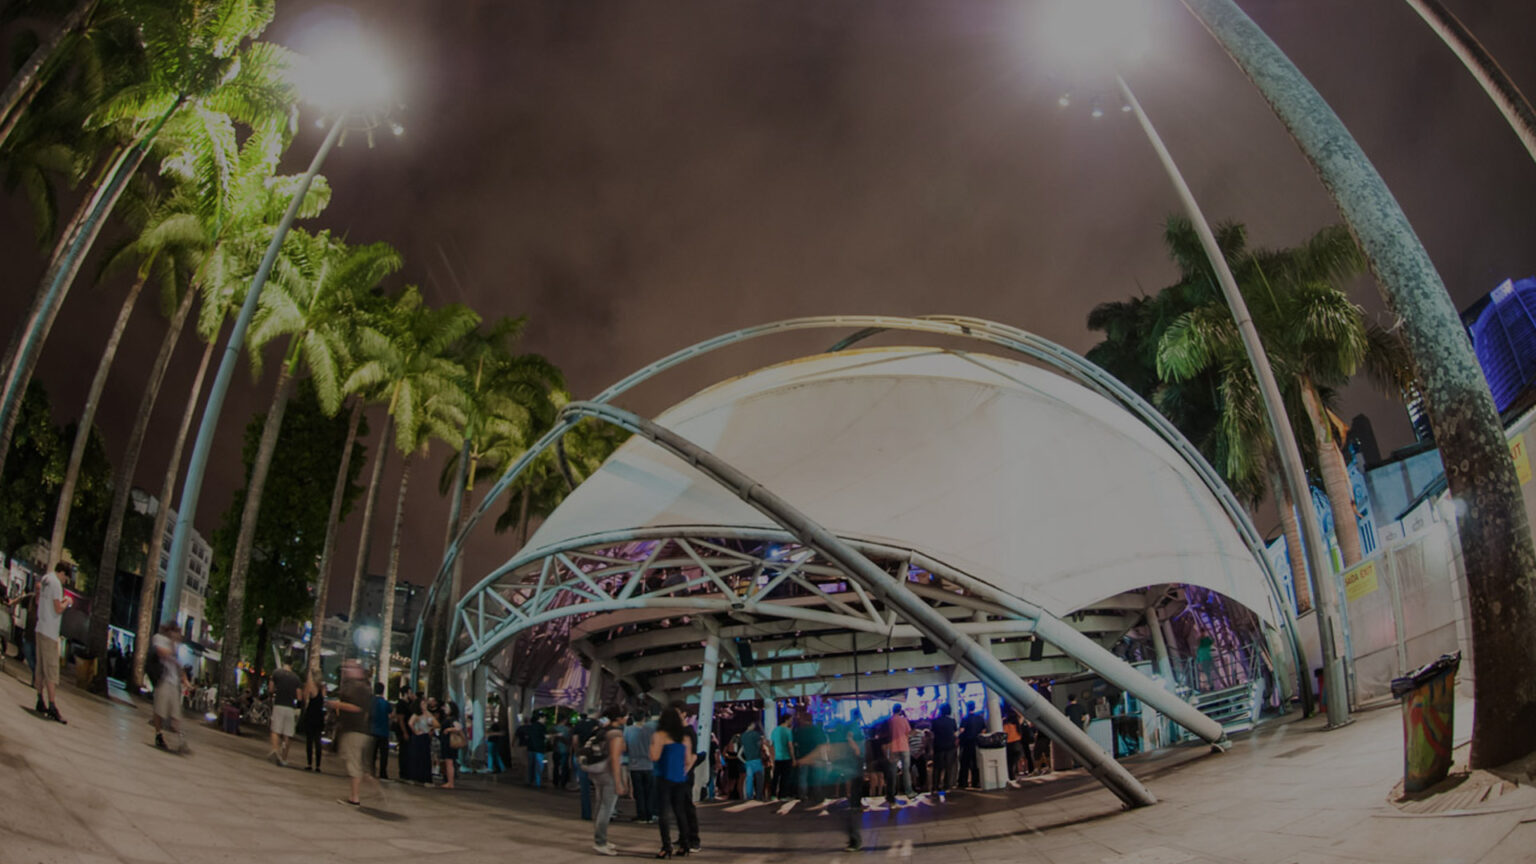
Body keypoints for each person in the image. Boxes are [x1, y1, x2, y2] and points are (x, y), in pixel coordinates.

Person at [650, 704, 696, 858]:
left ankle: (666, 847)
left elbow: (655, 757)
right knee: (680, 812)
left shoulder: (660, 735)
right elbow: (689, 760)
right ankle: (685, 846)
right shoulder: (685, 738)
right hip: (680, 778)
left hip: (664, 777)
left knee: (664, 814)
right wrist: (682, 771)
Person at [329, 661, 375, 807]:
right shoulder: (359, 687)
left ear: (358, 671)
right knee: (353, 761)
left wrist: (337, 705)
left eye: (349, 668)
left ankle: (355, 798)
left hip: (355, 731)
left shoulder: (358, 688)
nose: (346, 670)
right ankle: (366, 779)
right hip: (354, 730)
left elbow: (357, 708)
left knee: (353, 764)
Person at [31, 562, 72, 723]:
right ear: (62, 573)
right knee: (51, 670)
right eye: (66, 578)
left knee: (40, 667)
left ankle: (39, 699)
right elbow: (58, 609)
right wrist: (66, 602)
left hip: (40, 627)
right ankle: (52, 705)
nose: (65, 581)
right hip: (49, 632)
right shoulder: (55, 583)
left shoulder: (46, 579)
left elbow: (38, 601)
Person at [586, 705, 628, 856]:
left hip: (597, 772)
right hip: (608, 773)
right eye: (625, 715)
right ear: (618, 718)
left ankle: (600, 839)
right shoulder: (615, 734)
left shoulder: (603, 729)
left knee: (600, 805)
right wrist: (619, 782)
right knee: (607, 808)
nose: (627, 718)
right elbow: (615, 759)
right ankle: (600, 841)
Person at [150, 622, 190, 751]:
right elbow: (162, 653)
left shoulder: (175, 646)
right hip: (163, 680)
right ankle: (158, 734)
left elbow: (178, 664)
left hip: (174, 682)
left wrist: (184, 679)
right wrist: (172, 643)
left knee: (175, 713)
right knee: (159, 710)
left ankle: (180, 740)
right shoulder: (159, 639)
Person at [830, 712, 865, 852]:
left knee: (847, 818)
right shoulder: (854, 725)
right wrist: (856, 749)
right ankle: (855, 804)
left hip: (852, 763)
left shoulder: (850, 726)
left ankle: (854, 839)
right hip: (854, 761)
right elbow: (849, 737)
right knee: (857, 782)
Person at [267, 662, 302, 766]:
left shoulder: (276, 673)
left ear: (283, 664)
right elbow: (299, 697)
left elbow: (271, 689)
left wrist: (273, 693)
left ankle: (275, 750)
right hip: (290, 708)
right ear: (292, 665)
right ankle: (284, 758)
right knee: (288, 734)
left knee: (275, 730)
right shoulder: (296, 678)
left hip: (279, 704)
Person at [626, 709, 657, 822]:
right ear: (644, 718)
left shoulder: (628, 730)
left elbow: (625, 746)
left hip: (635, 765)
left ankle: (641, 815)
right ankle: (650, 814)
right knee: (650, 792)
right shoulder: (652, 729)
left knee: (639, 792)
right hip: (650, 765)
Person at [573, 710, 601, 818]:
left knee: (584, 788)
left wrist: (577, 752)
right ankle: (600, 813)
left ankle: (586, 813)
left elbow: (575, 741)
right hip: (595, 758)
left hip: (582, 756)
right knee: (600, 787)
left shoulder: (579, 724)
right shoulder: (598, 725)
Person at [403, 699, 437, 784]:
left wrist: (431, 730)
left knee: (425, 757)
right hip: (418, 737)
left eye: (425, 704)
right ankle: (414, 776)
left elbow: (436, 724)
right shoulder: (417, 715)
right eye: (422, 704)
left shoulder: (429, 714)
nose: (424, 705)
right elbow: (410, 723)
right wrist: (415, 731)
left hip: (425, 737)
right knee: (416, 757)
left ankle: (424, 777)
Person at [886, 705, 914, 800]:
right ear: (900, 710)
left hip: (893, 747)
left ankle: (891, 793)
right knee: (906, 771)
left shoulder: (890, 721)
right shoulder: (904, 720)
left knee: (892, 772)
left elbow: (888, 734)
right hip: (904, 746)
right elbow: (908, 732)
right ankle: (909, 792)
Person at [958, 702, 986, 788]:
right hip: (977, 743)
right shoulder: (980, 718)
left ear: (967, 708)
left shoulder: (965, 718)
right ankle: (976, 782)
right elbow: (984, 730)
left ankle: (963, 782)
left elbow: (961, 730)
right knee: (975, 763)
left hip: (967, 744)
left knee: (964, 764)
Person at [931, 704, 957, 797]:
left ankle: (935, 787)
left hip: (938, 747)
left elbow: (932, 732)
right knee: (948, 768)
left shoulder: (935, 721)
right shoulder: (952, 721)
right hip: (950, 747)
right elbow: (954, 732)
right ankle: (947, 786)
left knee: (937, 768)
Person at [301, 678, 327, 772]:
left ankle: (309, 763)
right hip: (319, 717)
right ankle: (318, 765)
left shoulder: (312, 689)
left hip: (311, 716)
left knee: (309, 741)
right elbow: (324, 700)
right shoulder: (323, 689)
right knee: (318, 741)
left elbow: (305, 697)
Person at [739, 720, 766, 801]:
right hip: (757, 759)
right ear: (750, 725)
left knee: (749, 779)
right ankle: (759, 796)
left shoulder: (742, 736)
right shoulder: (755, 734)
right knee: (759, 779)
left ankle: (749, 796)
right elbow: (760, 744)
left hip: (748, 760)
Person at [371, 682, 393, 780]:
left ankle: (371, 771)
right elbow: (390, 714)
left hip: (373, 730)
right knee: (384, 754)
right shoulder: (386, 703)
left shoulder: (371, 701)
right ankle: (383, 772)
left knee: (372, 753)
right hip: (384, 731)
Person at [769, 713, 794, 800]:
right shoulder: (788, 731)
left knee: (775, 777)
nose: (792, 721)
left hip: (777, 758)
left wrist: (772, 757)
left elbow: (771, 745)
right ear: (787, 720)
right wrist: (793, 758)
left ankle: (773, 795)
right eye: (791, 719)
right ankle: (783, 795)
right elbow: (790, 746)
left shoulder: (774, 730)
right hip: (786, 757)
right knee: (785, 777)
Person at [438, 700, 462, 789]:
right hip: (447, 743)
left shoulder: (452, 719)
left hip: (449, 743)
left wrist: (448, 730)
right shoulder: (450, 718)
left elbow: (458, 727)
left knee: (449, 762)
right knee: (449, 762)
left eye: (447, 707)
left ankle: (450, 782)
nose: (445, 709)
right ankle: (449, 781)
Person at [394, 689, 416, 776]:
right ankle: (403, 772)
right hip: (404, 730)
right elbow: (401, 719)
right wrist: (404, 732)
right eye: (410, 693)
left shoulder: (410, 704)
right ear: (406, 694)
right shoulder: (401, 704)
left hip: (409, 730)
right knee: (404, 751)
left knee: (408, 751)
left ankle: (407, 770)